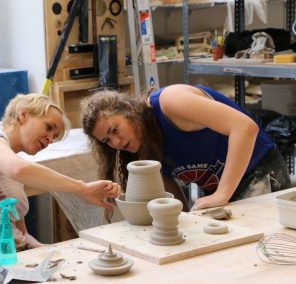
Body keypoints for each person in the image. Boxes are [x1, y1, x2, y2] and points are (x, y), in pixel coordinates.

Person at [0, 93, 121, 265]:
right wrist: (83, 189)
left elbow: (22, 234)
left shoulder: (10, 171)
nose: (50, 139)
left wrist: (48, 251)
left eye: (55, 136)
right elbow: (19, 169)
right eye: (49, 127)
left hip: (12, 255)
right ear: (23, 115)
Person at [80, 84, 291, 213]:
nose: (115, 142)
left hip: (259, 172)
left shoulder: (170, 102)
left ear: (128, 110)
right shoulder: (142, 147)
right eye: (107, 141)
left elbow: (245, 127)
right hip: (221, 189)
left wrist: (222, 194)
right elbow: (176, 205)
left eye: (115, 130)